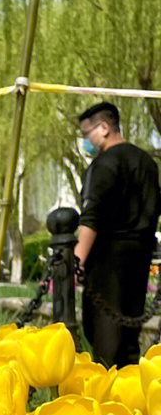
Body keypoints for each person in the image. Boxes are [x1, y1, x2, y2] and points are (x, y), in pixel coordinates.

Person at [74, 101, 161, 366]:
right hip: (139, 257)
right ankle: (132, 397)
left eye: (87, 133)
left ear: (104, 128)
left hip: (106, 264)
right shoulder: (147, 163)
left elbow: (92, 217)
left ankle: (106, 401)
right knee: (129, 339)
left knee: (104, 340)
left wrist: (75, 261)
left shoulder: (102, 165)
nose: (85, 141)